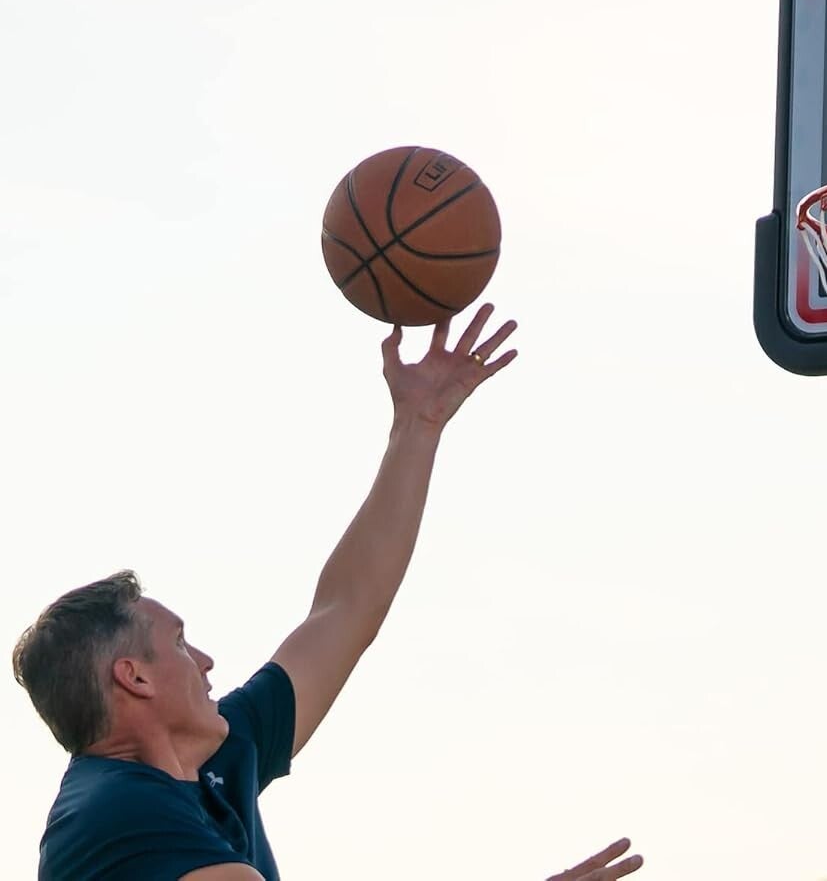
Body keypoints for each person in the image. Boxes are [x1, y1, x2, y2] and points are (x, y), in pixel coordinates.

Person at [12, 305, 644, 881]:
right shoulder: (117, 813)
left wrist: (418, 427)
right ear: (135, 678)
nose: (205, 661)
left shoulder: (216, 758)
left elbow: (346, 609)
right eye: (180, 643)